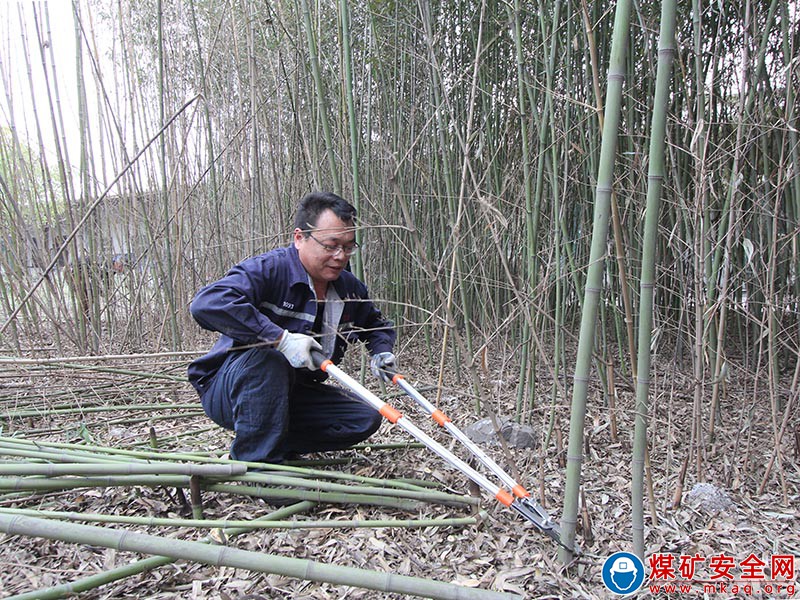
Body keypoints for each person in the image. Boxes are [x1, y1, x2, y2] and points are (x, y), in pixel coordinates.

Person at [188, 191, 397, 464]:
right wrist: (279, 339)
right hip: (230, 389)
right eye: (331, 245)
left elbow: (376, 326)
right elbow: (207, 303)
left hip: (294, 393)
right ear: (300, 238)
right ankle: (258, 467)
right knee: (269, 358)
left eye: (348, 247)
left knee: (363, 418)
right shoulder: (269, 270)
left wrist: (381, 351)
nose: (340, 256)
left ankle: (271, 440)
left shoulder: (348, 288)